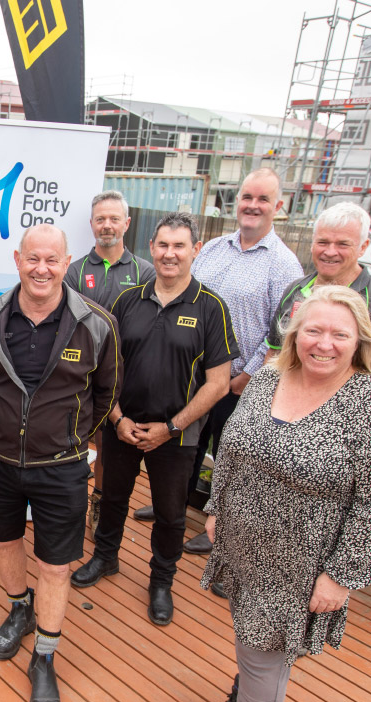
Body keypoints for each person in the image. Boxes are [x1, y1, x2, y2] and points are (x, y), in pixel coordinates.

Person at [182, 285, 371, 702]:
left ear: (360, 342)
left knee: (266, 648)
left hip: (303, 561)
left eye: (338, 334)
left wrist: (342, 577)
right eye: (313, 330)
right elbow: (233, 446)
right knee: (250, 636)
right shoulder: (269, 379)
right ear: (294, 334)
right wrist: (216, 508)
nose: (323, 343)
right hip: (244, 542)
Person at [0, 223, 121, 702]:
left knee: (56, 564)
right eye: (33, 258)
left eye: (52, 260)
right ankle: (18, 608)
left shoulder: (96, 324)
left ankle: (46, 656)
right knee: (4, 540)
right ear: (17, 259)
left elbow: (106, 395)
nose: (42, 269)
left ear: (66, 262)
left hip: (63, 468)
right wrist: (9, 428)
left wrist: (68, 439)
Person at [71, 213, 237, 629]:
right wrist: (117, 417)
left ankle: (161, 582)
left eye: (179, 246)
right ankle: (105, 558)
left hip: (176, 436)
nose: (170, 254)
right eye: (163, 245)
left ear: (195, 251)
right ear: (152, 248)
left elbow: (218, 384)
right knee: (112, 499)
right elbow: (105, 368)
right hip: (123, 425)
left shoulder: (211, 307)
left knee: (170, 514)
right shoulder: (129, 301)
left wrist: (172, 427)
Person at [164, 169, 304, 560]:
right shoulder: (212, 249)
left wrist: (247, 376)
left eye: (263, 199)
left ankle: (220, 527)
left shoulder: (283, 264)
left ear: (279, 207)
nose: (252, 206)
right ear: (236, 201)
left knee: (229, 453)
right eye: (247, 197)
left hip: (240, 379)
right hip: (193, 373)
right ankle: (171, 509)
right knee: (185, 447)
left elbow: (284, 328)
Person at [67, 191, 154, 538]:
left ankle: (99, 499)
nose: (107, 225)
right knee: (71, 440)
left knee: (107, 446)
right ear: (91, 224)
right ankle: (70, 501)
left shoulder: (144, 271)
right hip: (78, 373)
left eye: (114, 219)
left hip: (121, 377)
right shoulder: (74, 270)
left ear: (126, 224)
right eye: (100, 219)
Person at [267, 201, 371, 395]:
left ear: (363, 247)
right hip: (287, 403)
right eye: (323, 242)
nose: (330, 252)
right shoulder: (296, 290)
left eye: (343, 244)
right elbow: (274, 354)